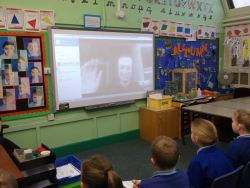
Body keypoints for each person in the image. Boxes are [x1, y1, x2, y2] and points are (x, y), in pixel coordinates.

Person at [187, 119, 233, 188]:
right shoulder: (223, 153)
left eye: (191, 132)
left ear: (195, 138)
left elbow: (192, 185)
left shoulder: (196, 162)